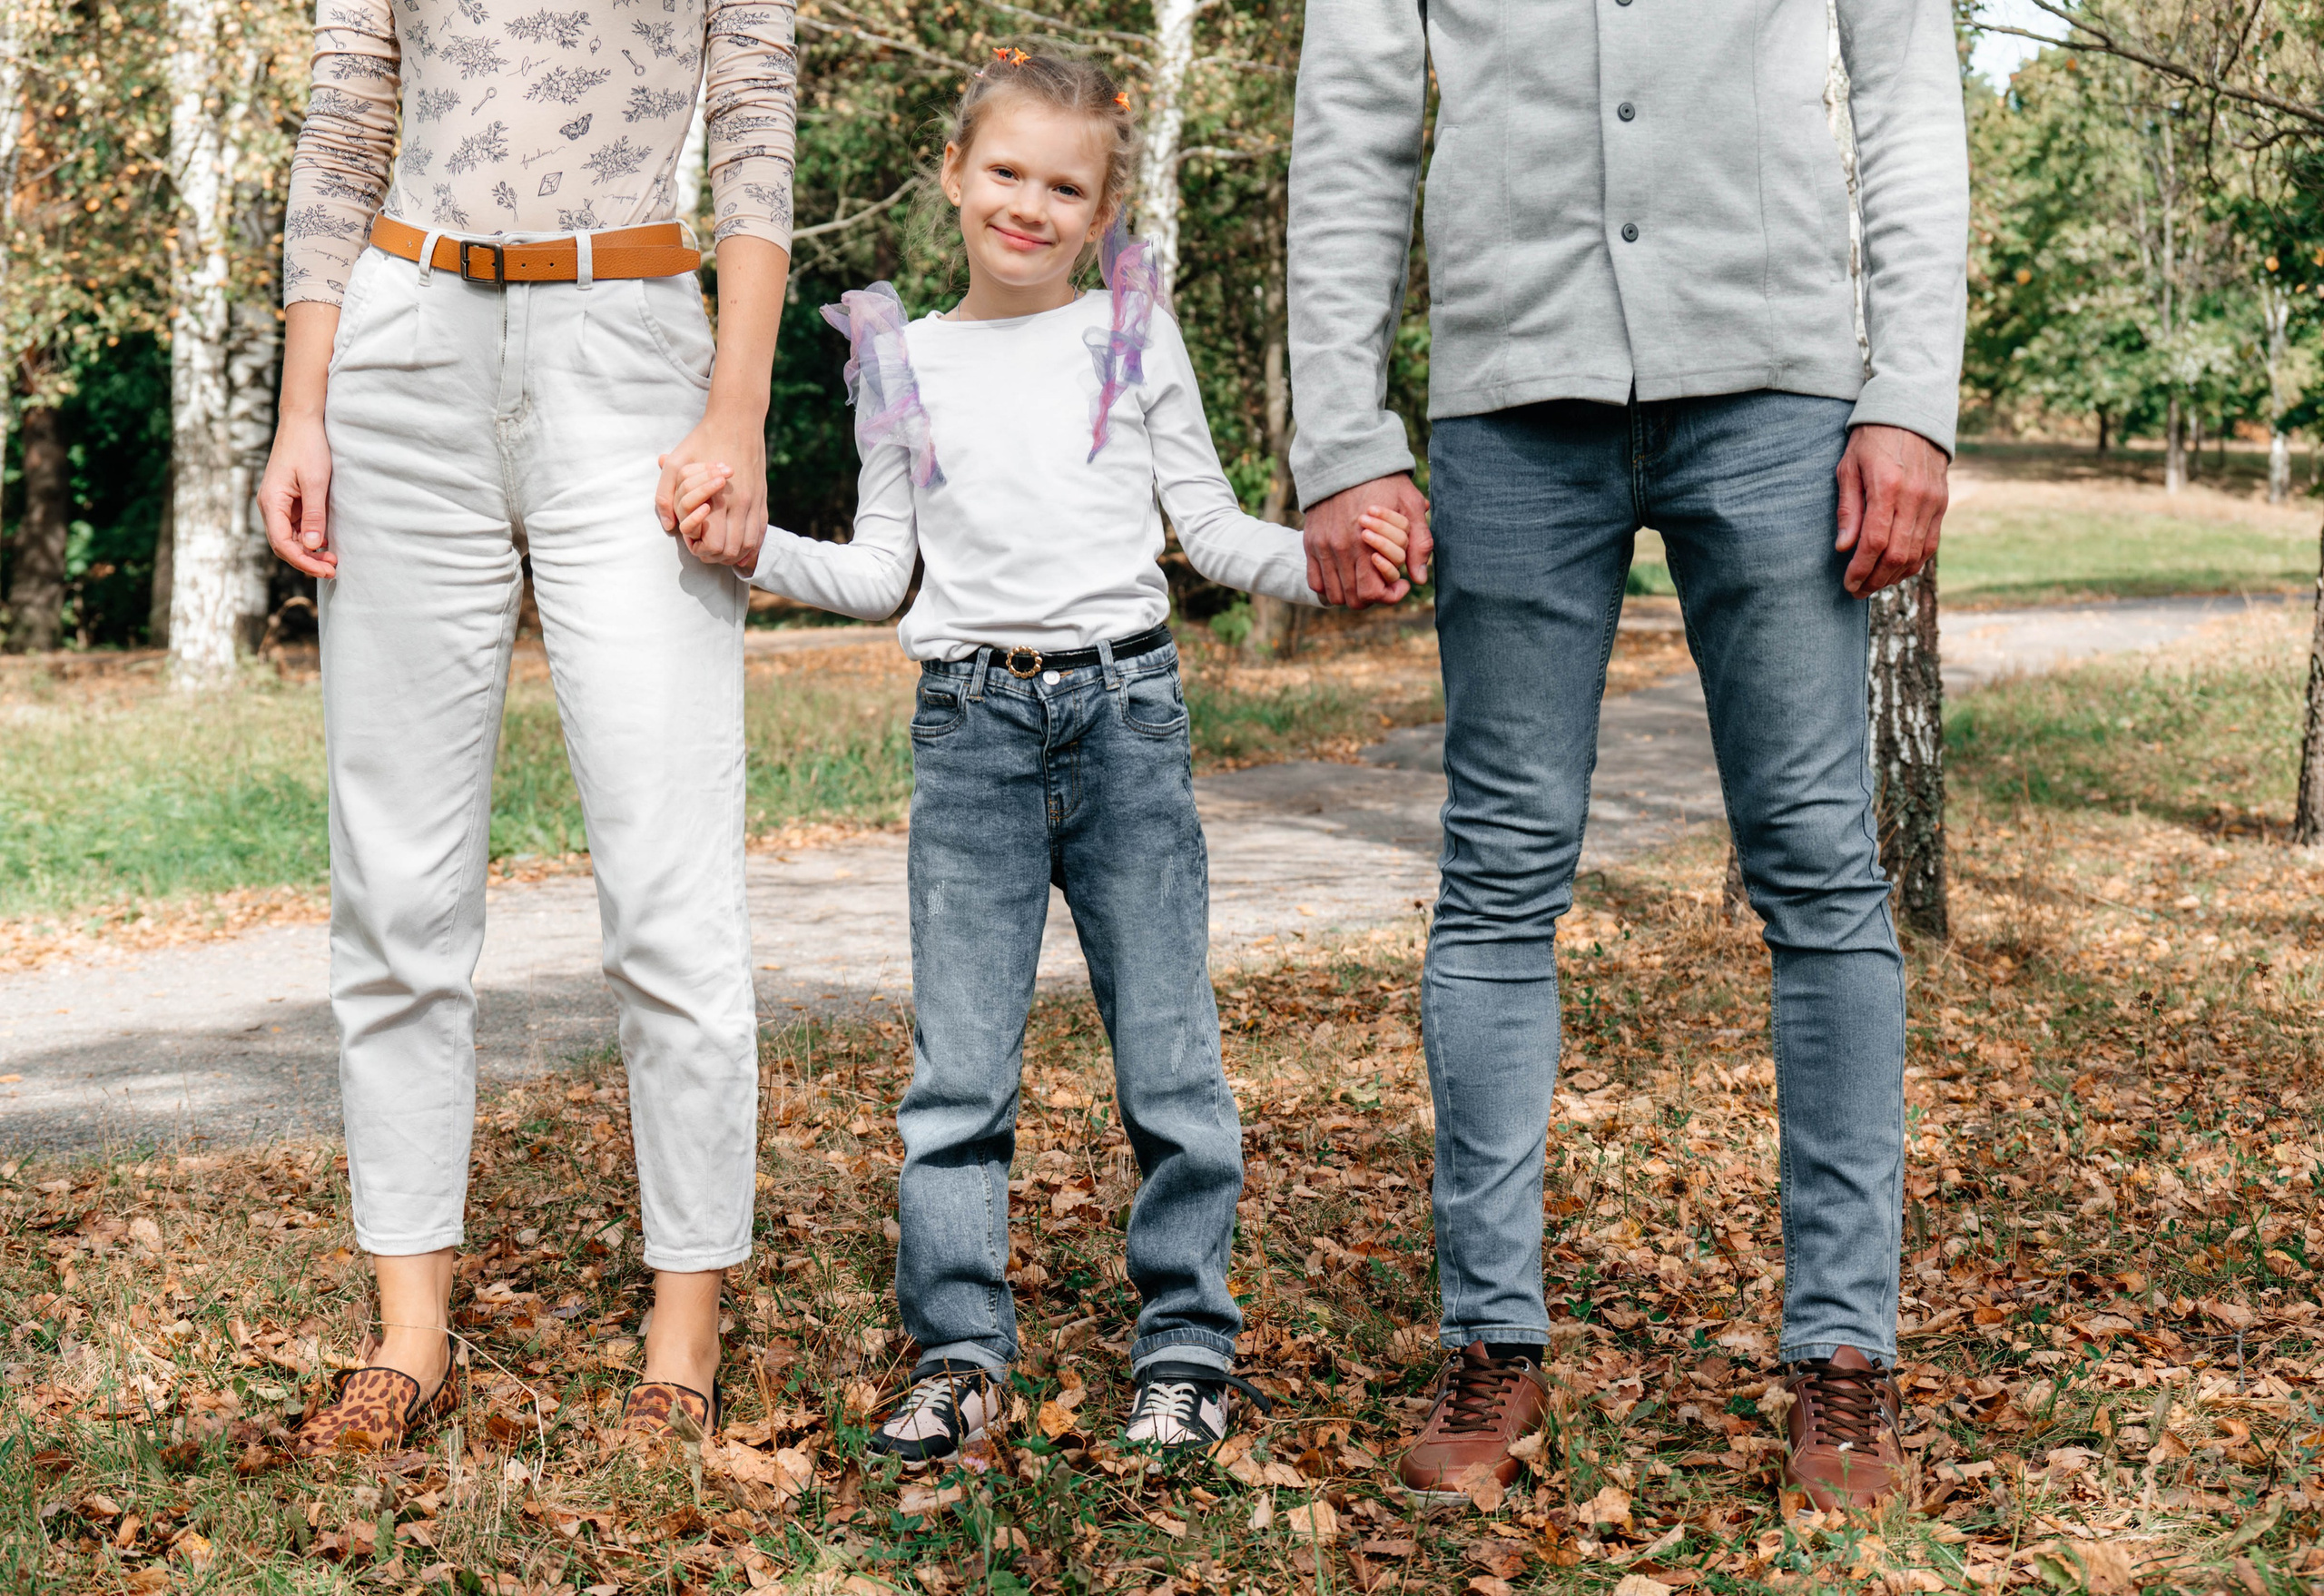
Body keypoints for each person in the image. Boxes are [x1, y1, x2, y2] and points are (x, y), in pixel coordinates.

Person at [672, 46, 1411, 1464]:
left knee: (1172, 1060)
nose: (1029, 204)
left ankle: (1186, 1347)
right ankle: (960, 1352)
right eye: (1004, 172)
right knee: (959, 1073)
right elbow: (887, 566)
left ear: (1101, 208)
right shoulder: (901, 350)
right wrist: (751, 548)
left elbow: (1208, 530)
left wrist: (1325, 566)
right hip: (971, 732)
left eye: (1063, 185)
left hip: (1128, 720)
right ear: (954, 175)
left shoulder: (1131, 330)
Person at [1286, 0, 1966, 1511]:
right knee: (1498, 875)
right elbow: (1349, 125)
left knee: (1819, 870)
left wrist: (1912, 397)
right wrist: (1341, 430)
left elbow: (1910, 100)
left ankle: (1845, 1359)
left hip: (1781, 389)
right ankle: (1492, 1340)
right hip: (1511, 400)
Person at [255, 0, 798, 1453]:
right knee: (397, 885)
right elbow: (346, 122)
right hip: (400, 351)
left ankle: (682, 1338)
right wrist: (302, 408)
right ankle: (410, 1335)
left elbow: (753, 132)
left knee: (669, 885)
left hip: (628, 352)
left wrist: (734, 409)